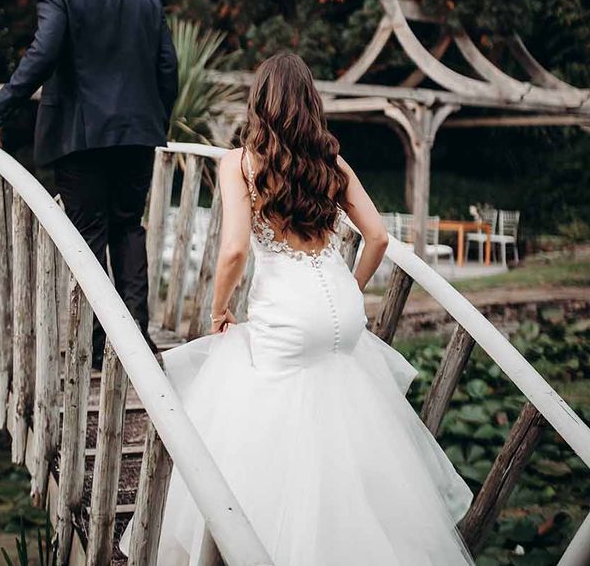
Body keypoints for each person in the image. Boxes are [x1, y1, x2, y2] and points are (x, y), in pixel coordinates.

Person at [119, 53, 474, 564]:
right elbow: (376, 237)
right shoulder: (332, 162)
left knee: (241, 404)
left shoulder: (240, 162)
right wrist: (351, 288)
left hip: (288, 316)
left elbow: (235, 250)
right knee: (338, 409)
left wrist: (219, 311)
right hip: (342, 315)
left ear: (260, 103)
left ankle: (246, 538)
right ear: (311, 104)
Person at [0, 0, 178, 370]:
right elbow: (167, 71)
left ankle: (100, 347)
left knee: (88, 238)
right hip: (137, 135)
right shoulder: (146, 1)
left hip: (80, 139)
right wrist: (153, 122)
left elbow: (40, 58)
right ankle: (136, 338)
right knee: (128, 228)